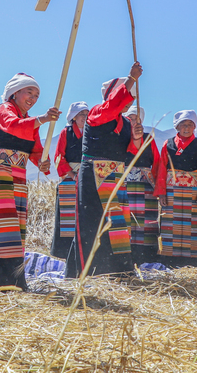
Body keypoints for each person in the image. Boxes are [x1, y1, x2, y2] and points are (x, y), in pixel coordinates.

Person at [0, 73, 58, 289]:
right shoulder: (4, 110)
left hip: (17, 179)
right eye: (30, 92)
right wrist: (42, 119)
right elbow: (13, 126)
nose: (33, 98)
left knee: (13, 230)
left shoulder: (30, 121)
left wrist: (42, 163)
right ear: (15, 92)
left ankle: (12, 280)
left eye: (37, 95)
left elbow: (36, 150)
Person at [66, 63, 142, 278]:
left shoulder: (126, 123)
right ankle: (88, 272)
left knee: (117, 224)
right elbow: (112, 106)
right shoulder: (97, 112)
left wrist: (136, 137)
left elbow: (131, 151)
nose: (129, 101)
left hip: (115, 177)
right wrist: (131, 79)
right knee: (92, 223)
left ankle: (117, 270)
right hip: (94, 176)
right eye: (126, 95)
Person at [155, 109, 197, 267]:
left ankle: (196, 263)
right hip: (171, 192)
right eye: (183, 125)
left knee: (194, 225)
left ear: (194, 127)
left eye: (190, 125)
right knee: (171, 226)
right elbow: (162, 168)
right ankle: (169, 262)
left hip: (194, 192)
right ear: (177, 127)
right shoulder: (168, 144)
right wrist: (161, 193)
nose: (186, 128)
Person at [124, 105, 162, 265]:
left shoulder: (148, 138)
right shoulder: (120, 137)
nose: (134, 122)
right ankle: (126, 257)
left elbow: (157, 163)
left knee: (146, 223)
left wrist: (159, 189)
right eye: (130, 119)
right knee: (126, 221)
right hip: (124, 186)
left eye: (137, 119)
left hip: (146, 187)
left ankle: (147, 257)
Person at [51, 101, 88, 259]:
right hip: (69, 178)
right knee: (67, 217)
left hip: (86, 179)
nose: (84, 117)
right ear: (73, 117)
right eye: (81, 114)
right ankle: (64, 253)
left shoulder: (90, 133)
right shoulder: (66, 133)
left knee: (84, 214)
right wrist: (73, 175)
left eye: (86, 114)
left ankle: (83, 252)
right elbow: (59, 157)